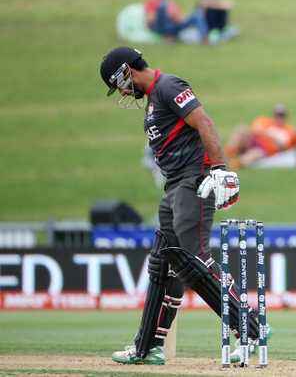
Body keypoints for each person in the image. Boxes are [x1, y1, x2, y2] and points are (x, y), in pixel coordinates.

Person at [99, 46, 262, 365]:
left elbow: (205, 123)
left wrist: (219, 169)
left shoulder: (167, 86)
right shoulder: (152, 100)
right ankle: (148, 347)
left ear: (125, 73)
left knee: (192, 258)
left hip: (194, 180)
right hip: (174, 186)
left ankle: (252, 329)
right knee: (162, 263)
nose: (120, 91)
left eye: (117, 83)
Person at [226, 104, 296, 169]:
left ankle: (235, 164)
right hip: (254, 140)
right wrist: (263, 133)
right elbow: (254, 129)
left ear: (285, 117)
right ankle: (228, 155)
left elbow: (284, 146)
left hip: (266, 149)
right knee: (241, 129)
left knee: (255, 153)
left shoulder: (288, 130)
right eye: (277, 115)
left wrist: (270, 136)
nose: (279, 118)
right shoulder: (266, 122)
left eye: (281, 115)